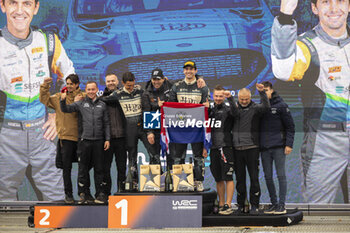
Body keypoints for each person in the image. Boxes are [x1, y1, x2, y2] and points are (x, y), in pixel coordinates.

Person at [271, 0, 350, 203]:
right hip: (325, 140)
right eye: (325, 2)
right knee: (318, 212)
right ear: (315, 9)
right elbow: (284, 70)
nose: (334, 8)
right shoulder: (305, 45)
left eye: (340, 1)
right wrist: (285, 16)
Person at [0, 0, 75, 201]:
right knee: (3, 205)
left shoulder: (49, 41)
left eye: (26, 3)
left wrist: (58, 114)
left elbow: (69, 78)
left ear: (35, 7)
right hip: (6, 136)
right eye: (13, 3)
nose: (19, 10)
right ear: (3, 6)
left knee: (57, 203)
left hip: (42, 135)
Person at [102, 72, 157, 190]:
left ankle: (155, 182)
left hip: (142, 128)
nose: (131, 88)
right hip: (129, 129)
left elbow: (153, 89)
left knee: (153, 153)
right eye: (128, 86)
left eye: (132, 85)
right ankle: (134, 183)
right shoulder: (118, 94)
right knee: (132, 158)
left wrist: (149, 131)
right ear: (122, 83)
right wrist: (84, 95)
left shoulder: (140, 91)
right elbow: (102, 100)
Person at [60, 81, 110, 204]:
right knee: (83, 169)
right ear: (85, 90)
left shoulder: (103, 105)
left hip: (99, 141)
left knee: (99, 169)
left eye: (93, 89)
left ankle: (100, 194)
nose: (91, 92)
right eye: (89, 90)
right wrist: (63, 100)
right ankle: (84, 194)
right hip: (84, 142)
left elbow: (106, 123)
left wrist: (107, 139)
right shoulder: (81, 103)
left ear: (97, 89)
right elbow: (66, 109)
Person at [39, 74, 84, 204]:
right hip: (66, 138)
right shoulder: (59, 97)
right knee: (66, 169)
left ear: (77, 84)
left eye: (71, 84)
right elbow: (44, 99)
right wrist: (45, 86)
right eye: (67, 83)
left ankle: (83, 194)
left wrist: (79, 101)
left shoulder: (83, 96)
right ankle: (68, 194)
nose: (69, 86)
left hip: (82, 138)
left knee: (83, 169)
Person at [169, 60, 210, 192]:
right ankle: (178, 182)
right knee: (178, 157)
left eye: (191, 69)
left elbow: (207, 106)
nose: (189, 71)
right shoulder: (176, 86)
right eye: (186, 69)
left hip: (196, 127)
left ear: (195, 71)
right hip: (180, 128)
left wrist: (207, 106)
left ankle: (198, 182)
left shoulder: (202, 87)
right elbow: (171, 105)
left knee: (198, 157)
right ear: (183, 71)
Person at [233, 84, 270, 215]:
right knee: (240, 179)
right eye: (241, 99)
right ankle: (241, 205)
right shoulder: (234, 108)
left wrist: (261, 93)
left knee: (254, 178)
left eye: (246, 99)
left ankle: (254, 205)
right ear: (238, 98)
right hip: (237, 149)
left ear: (250, 97)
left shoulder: (256, 108)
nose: (244, 101)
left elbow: (266, 107)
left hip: (252, 148)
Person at [260, 81, 295, 214]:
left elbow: (290, 127)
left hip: (279, 147)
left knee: (281, 176)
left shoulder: (282, 105)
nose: (265, 92)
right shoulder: (261, 107)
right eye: (263, 91)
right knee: (268, 177)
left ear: (272, 90)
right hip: (264, 149)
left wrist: (289, 144)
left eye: (267, 90)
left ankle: (282, 204)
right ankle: (274, 204)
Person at [208, 85, 237, 215]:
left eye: (221, 96)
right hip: (213, 148)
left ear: (223, 96)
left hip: (226, 147)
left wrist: (230, 98)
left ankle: (228, 205)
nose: (218, 98)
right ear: (213, 96)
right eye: (216, 96)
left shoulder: (228, 109)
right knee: (218, 178)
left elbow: (236, 113)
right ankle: (221, 204)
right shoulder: (210, 110)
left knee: (228, 177)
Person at [142, 68, 174, 168]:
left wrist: (200, 79)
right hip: (155, 130)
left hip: (169, 129)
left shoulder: (171, 87)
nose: (156, 82)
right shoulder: (146, 93)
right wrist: (149, 132)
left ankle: (171, 181)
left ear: (163, 79)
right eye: (154, 79)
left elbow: (185, 82)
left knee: (172, 157)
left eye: (158, 79)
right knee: (154, 158)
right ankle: (156, 182)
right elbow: (146, 112)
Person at [102, 73, 127, 194]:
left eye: (113, 81)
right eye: (108, 81)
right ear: (105, 83)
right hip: (107, 140)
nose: (111, 83)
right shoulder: (101, 99)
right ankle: (106, 193)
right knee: (105, 168)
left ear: (117, 82)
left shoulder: (124, 96)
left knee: (122, 168)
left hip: (122, 138)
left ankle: (121, 192)